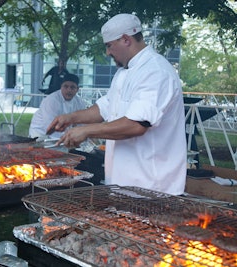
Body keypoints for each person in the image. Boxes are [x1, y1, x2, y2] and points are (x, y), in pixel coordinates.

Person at [47, 13, 187, 195]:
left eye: (109, 46)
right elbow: (104, 108)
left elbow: (137, 125)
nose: (107, 52)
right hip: (123, 183)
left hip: (152, 187)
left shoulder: (155, 71)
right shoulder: (124, 73)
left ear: (126, 40)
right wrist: (70, 118)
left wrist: (86, 131)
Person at [29, 73, 86, 140]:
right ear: (61, 87)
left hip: (64, 134)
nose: (69, 90)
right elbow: (50, 126)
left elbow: (82, 122)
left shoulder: (79, 102)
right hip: (40, 134)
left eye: (72, 87)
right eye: (66, 86)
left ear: (77, 89)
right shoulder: (51, 100)